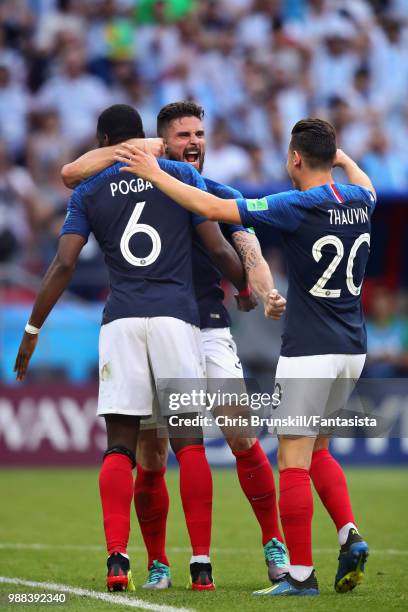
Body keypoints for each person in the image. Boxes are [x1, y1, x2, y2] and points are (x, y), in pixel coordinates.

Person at [113, 117, 376, 597]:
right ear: (332, 156)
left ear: (295, 158)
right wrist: (344, 159)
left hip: (310, 350)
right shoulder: (360, 200)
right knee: (319, 450)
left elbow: (212, 207)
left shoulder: (294, 205)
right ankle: (348, 532)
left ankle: (299, 575)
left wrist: (153, 175)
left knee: (292, 462)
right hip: (353, 350)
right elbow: (365, 182)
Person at [13, 104, 256, 593]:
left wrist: (33, 329)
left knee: (120, 448)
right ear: (145, 139)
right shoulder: (178, 174)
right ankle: (202, 567)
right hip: (175, 320)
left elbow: (62, 264)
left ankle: (118, 560)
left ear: (103, 141)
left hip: (120, 320)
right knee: (188, 446)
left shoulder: (87, 191)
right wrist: (244, 286)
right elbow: (216, 246)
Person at [61, 101, 288, 590]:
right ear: (162, 143)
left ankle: (274, 544)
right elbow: (74, 171)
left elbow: (248, 248)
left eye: (201, 134)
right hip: (160, 327)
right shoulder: (155, 180)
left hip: (207, 327)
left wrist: (262, 289)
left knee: (241, 433)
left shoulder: (215, 193)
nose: (195, 142)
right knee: (151, 453)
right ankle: (161, 562)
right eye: (184, 134)